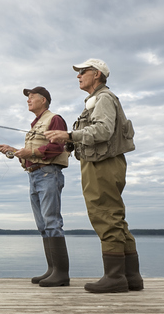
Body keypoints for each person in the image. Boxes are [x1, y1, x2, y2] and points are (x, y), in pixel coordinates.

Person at [45, 58, 144, 293]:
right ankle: (131, 277)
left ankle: (115, 278)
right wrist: (70, 143)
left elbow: (103, 130)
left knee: (104, 215)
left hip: (102, 165)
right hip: (102, 162)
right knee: (116, 218)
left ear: (97, 74)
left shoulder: (104, 98)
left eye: (83, 71)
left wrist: (68, 136)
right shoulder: (96, 100)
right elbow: (95, 134)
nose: (78, 76)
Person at [0, 86, 70, 287]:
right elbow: (31, 153)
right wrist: (14, 151)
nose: (28, 100)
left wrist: (31, 153)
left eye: (31, 97)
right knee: (42, 225)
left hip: (48, 174)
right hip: (34, 175)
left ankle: (62, 274)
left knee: (52, 221)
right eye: (27, 97)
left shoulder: (54, 119)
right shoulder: (35, 124)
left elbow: (57, 147)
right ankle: (52, 270)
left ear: (43, 100)